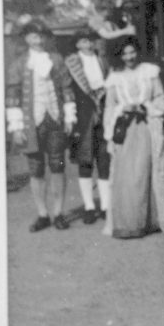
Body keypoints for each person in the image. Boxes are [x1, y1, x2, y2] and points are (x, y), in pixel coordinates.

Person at [5, 20, 77, 232]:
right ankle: (42, 214)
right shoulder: (19, 64)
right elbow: (13, 96)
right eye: (34, 36)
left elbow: (66, 88)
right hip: (31, 123)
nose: (38, 39)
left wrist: (70, 116)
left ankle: (58, 213)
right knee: (36, 170)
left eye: (42, 35)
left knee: (58, 165)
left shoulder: (56, 59)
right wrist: (17, 126)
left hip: (54, 119)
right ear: (26, 38)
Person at [102, 38, 164, 238]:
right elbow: (109, 106)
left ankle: (149, 221)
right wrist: (122, 109)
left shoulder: (149, 72)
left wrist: (149, 107)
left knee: (143, 172)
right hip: (125, 128)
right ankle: (128, 223)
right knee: (127, 176)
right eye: (125, 54)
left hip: (146, 125)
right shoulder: (114, 77)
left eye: (132, 52)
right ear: (119, 56)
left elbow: (159, 97)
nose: (129, 57)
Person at [64, 29, 110, 224]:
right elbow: (67, 89)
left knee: (104, 159)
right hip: (83, 116)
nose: (88, 45)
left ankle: (106, 206)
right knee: (85, 161)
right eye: (83, 41)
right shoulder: (72, 63)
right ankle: (89, 206)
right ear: (77, 45)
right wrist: (70, 115)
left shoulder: (102, 60)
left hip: (104, 113)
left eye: (90, 41)